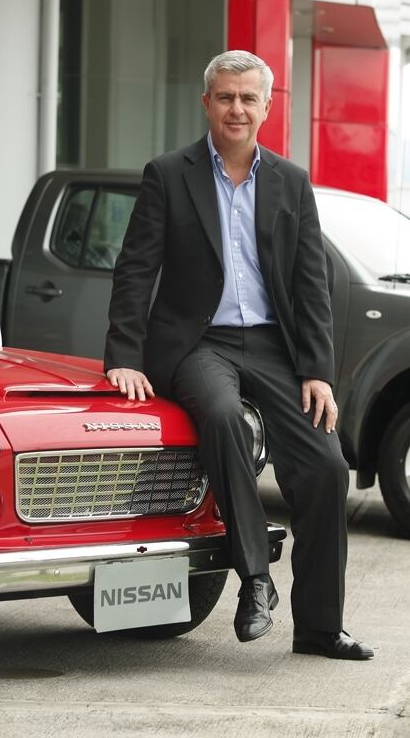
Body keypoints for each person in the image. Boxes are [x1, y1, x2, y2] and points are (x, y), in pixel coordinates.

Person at [104, 49, 373, 660]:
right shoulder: (168, 174)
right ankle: (255, 576)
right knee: (224, 417)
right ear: (207, 102)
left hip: (276, 346)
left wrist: (317, 371)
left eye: (249, 98)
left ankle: (319, 627)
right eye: (225, 96)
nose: (236, 108)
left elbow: (311, 285)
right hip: (201, 342)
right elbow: (135, 269)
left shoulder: (291, 181)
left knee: (327, 467)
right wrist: (124, 354)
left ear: (267, 107)